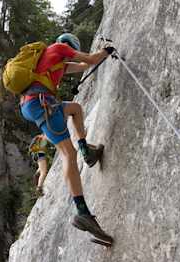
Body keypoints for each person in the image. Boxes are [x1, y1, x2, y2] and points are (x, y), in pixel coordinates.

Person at [18, 33, 115, 246]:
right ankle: (82, 212)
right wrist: (107, 50)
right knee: (68, 154)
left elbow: (83, 66)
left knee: (75, 108)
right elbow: (90, 59)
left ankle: (86, 150)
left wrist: (99, 54)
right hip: (41, 103)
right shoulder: (58, 49)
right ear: (69, 46)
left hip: (32, 104)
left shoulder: (55, 62)